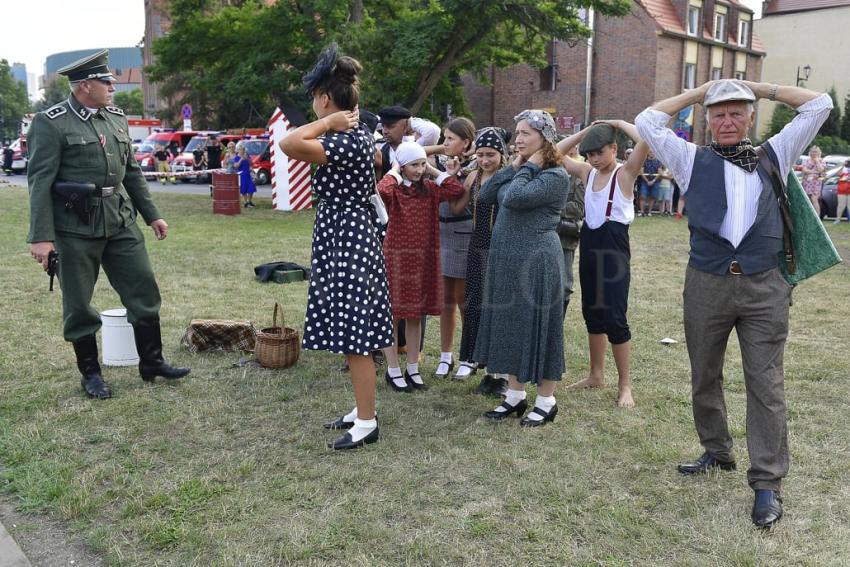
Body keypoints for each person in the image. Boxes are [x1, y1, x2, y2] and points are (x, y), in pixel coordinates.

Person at [635, 79, 832, 528]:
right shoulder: (689, 159)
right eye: (719, 113)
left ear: (749, 118)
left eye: (736, 113)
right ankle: (716, 449)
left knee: (765, 382)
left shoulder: (774, 153)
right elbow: (648, 120)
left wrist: (761, 88)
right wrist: (697, 91)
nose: (727, 121)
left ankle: (767, 483)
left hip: (765, 286)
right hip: (706, 283)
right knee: (704, 371)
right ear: (708, 119)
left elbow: (820, 104)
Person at [26, 49, 190, 400]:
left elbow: (131, 171)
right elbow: (40, 181)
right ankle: (92, 375)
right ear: (85, 85)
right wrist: (41, 238)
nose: (112, 88)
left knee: (143, 288)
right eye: (106, 82)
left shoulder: (115, 117)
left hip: (119, 220)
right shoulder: (51, 122)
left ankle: (152, 362)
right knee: (79, 304)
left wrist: (152, 214)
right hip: (74, 227)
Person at [279, 44, 393, 450]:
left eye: (315, 99)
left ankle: (366, 422)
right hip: (345, 233)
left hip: (347, 236)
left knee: (354, 334)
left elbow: (289, 144)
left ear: (326, 100)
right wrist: (333, 122)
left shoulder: (344, 139)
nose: (313, 105)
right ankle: (361, 410)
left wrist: (326, 123)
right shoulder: (358, 135)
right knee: (351, 331)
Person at [475, 110, 569, 427]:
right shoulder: (522, 170)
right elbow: (486, 194)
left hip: (537, 261)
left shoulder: (556, 176)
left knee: (539, 328)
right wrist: (514, 166)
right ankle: (514, 396)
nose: (517, 139)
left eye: (525, 133)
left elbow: (514, 198)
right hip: (507, 261)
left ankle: (546, 400)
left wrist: (526, 167)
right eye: (516, 133)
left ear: (544, 138)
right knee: (511, 326)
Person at [557, 121, 648, 409]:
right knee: (593, 313)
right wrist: (585, 132)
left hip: (614, 251)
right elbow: (556, 153)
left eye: (599, 152)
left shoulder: (625, 174)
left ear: (614, 148)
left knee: (615, 317)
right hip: (591, 246)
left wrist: (619, 124)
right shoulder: (587, 172)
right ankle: (596, 374)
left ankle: (625, 385)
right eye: (589, 154)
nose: (593, 159)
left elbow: (647, 140)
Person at [378, 142, 466, 392]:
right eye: (414, 165)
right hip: (397, 258)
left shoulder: (430, 189)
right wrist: (395, 168)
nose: (419, 170)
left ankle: (413, 368)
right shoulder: (395, 190)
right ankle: (393, 369)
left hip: (424, 259)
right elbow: (382, 188)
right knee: (394, 315)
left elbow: (456, 189)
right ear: (403, 166)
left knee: (415, 315)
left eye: (421, 164)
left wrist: (432, 170)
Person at [450, 127, 510, 390]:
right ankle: (472, 359)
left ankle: (501, 370)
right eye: (481, 154)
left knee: (497, 306)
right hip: (477, 243)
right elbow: (456, 207)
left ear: (501, 154)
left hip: (501, 245)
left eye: (491, 155)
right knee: (473, 302)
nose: (485, 160)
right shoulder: (473, 176)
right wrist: (452, 179)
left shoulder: (509, 176)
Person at [435, 117, 476, 378]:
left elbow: (458, 202)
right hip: (441, 233)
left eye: (450, 138)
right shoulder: (439, 162)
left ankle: (468, 356)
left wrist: (454, 173)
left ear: (467, 142)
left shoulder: (476, 166)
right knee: (444, 301)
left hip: (463, 233)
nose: (444, 143)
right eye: (444, 137)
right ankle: (445, 355)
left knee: (463, 301)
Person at [800, 145, 826, 216]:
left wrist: (817, 161)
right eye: (812, 152)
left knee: (814, 199)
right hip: (807, 182)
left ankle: (817, 216)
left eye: (815, 152)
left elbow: (821, 170)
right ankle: (807, 215)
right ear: (810, 152)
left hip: (816, 183)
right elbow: (804, 170)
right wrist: (814, 172)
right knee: (807, 200)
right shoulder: (807, 160)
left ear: (819, 152)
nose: (814, 153)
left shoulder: (822, 161)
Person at [637, 152, 660, 216]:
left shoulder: (658, 162)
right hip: (645, 181)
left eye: (652, 152)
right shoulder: (644, 161)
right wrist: (647, 181)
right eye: (650, 152)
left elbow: (659, 172)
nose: (652, 153)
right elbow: (641, 172)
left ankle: (649, 212)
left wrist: (653, 180)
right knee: (642, 196)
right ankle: (642, 212)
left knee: (652, 197)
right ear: (648, 153)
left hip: (655, 182)